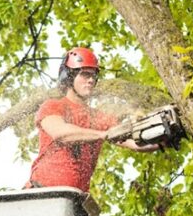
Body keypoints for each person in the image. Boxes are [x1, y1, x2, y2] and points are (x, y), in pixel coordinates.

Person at [25, 47, 158, 192]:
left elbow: (135, 143)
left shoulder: (100, 118)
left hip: (74, 199)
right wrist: (101, 134)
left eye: (93, 76)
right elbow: (60, 133)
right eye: (85, 75)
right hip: (41, 193)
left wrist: (162, 139)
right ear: (69, 77)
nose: (90, 80)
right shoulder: (53, 106)